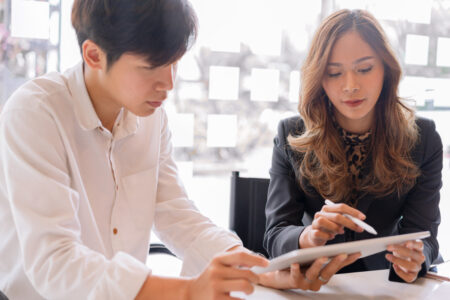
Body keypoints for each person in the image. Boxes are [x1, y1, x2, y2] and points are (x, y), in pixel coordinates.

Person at [0, 1, 359, 299]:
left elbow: (176, 214)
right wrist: (189, 291)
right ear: (94, 55)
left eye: (174, 63)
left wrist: (260, 270)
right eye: (151, 67)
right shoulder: (36, 113)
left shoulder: (151, 117)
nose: (168, 83)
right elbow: (55, 262)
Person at [264, 9, 442, 284]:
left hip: (387, 285)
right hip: (318, 285)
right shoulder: (292, 134)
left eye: (365, 69)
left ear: (386, 69)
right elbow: (275, 235)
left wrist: (416, 260)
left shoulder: (423, 138)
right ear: (320, 79)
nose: (350, 86)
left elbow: (425, 235)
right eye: (334, 73)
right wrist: (307, 236)